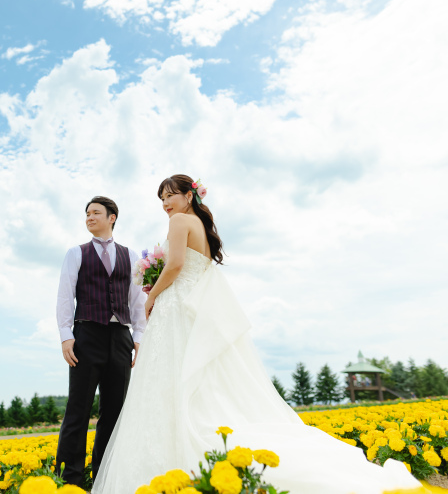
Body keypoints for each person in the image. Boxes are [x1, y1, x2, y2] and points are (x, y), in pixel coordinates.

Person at [92, 175, 421, 494]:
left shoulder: (179, 221)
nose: (165, 203)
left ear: (188, 196)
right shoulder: (201, 226)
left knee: (170, 380)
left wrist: (151, 295)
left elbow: (176, 264)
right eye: (162, 198)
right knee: (198, 382)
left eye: (170, 195)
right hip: (193, 309)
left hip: (176, 308)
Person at [55, 196, 147, 487]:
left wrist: (138, 336)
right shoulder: (76, 253)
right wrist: (66, 336)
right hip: (86, 335)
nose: (90, 218)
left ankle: (104, 479)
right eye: (87, 214)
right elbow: (65, 295)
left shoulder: (131, 256)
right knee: (78, 410)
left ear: (112, 217)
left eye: (96, 213)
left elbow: (137, 299)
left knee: (115, 412)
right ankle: (69, 481)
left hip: (120, 337)